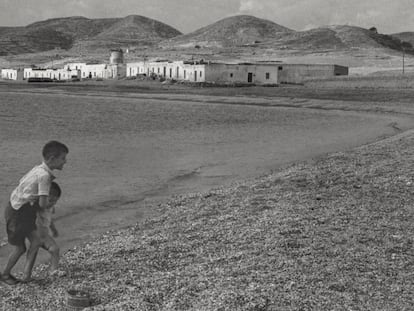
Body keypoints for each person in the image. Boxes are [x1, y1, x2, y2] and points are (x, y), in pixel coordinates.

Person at [1, 140, 68, 285]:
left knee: (36, 241)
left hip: (19, 209)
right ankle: (5, 274)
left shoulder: (38, 169)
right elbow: (43, 204)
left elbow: (21, 183)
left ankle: (26, 275)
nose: (65, 162)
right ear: (52, 159)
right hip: (18, 213)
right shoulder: (44, 176)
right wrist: (48, 208)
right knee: (20, 248)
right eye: (63, 158)